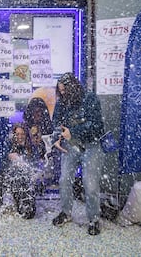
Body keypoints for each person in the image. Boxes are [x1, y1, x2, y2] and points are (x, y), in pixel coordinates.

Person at [51, 72, 105, 236]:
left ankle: (94, 219)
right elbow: (56, 124)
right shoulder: (62, 103)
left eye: (64, 90)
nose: (62, 94)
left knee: (90, 184)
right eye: (60, 91)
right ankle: (66, 212)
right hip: (70, 146)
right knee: (64, 179)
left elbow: (97, 127)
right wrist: (57, 138)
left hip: (92, 146)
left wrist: (72, 132)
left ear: (73, 87)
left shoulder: (90, 99)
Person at [0, 123, 41, 219]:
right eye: (17, 134)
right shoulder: (9, 144)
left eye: (22, 134)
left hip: (24, 183)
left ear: (26, 135)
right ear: (14, 135)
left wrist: (24, 163)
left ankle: (20, 200)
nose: (20, 137)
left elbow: (35, 166)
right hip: (11, 180)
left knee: (28, 214)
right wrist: (8, 157)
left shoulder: (32, 147)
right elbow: (2, 166)